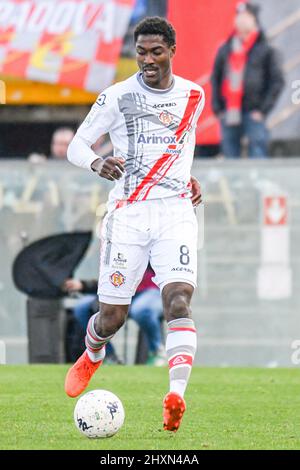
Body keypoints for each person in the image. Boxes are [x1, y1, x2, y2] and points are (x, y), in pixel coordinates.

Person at [65, 16, 204, 432]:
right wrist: (97, 161)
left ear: (171, 52)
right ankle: (93, 353)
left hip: (176, 211)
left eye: (155, 51)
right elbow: (76, 144)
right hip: (128, 213)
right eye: (140, 52)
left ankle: (176, 395)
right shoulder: (116, 97)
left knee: (178, 300)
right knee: (112, 317)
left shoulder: (194, 95)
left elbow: (181, 148)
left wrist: (188, 180)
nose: (146, 59)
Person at [211, 2, 284, 158]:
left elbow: (277, 81)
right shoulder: (226, 48)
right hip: (229, 111)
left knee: (257, 151)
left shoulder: (265, 48)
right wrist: (218, 108)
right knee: (231, 154)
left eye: (246, 16)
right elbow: (216, 77)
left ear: (254, 20)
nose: (241, 20)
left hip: (254, 111)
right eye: (239, 16)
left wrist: (263, 110)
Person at [64, 264, 165, 366]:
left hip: (148, 290)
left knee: (142, 310)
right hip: (118, 291)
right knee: (82, 307)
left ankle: (157, 351)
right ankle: (108, 355)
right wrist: (84, 284)